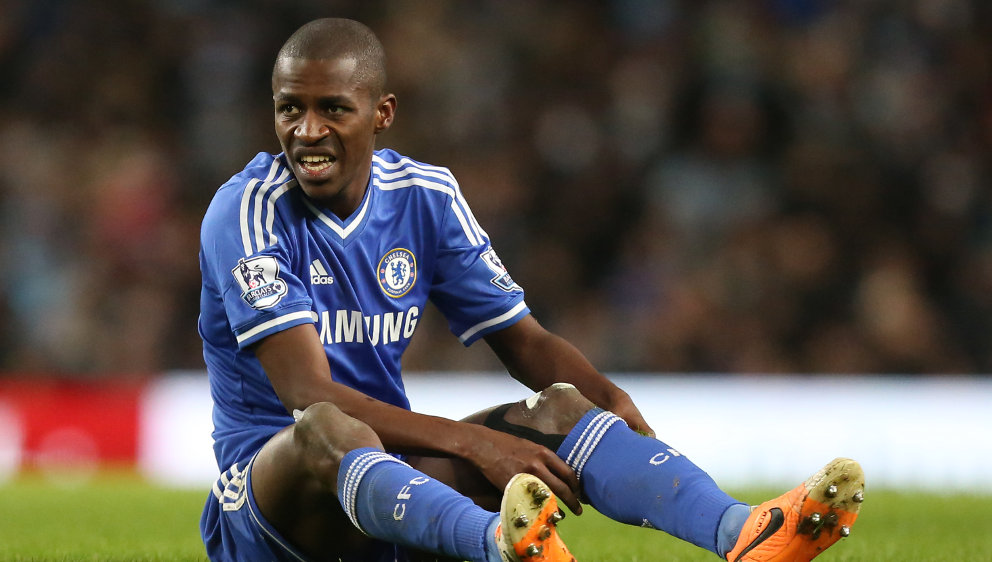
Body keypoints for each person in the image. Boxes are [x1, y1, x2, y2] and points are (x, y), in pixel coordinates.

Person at [197, 17, 865, 562]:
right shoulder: (247, 212)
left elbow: (524, 342)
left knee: (561, 408)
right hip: (267, 511)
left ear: (382, 113)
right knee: (325, 424)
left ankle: (743, 532)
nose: (307, 131)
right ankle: (500, 545)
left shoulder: (425, 197)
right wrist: (475, 443)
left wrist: (604, 403)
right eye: (290, 109)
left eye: (332, 109)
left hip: (383, 488)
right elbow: (306, 394)